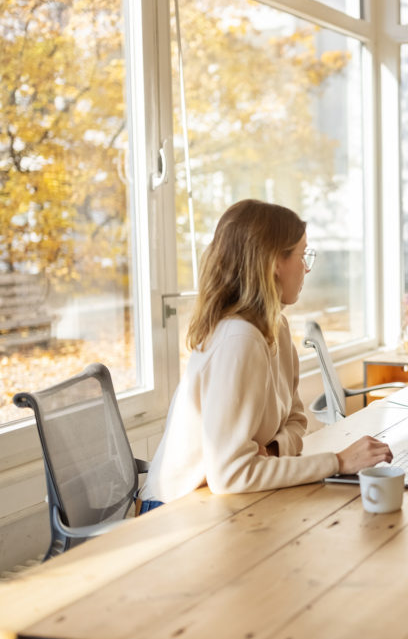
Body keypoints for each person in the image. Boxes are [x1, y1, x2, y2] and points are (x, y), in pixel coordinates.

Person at [138, 199, 392, 510]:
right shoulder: (238, 341)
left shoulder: (276, 328)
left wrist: (271, 450)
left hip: (221, 500)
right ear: (274, 263)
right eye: (302, 255)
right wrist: (338, 461)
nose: (306, 268)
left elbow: (297, 419)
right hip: (174, 511)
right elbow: (231, 475)